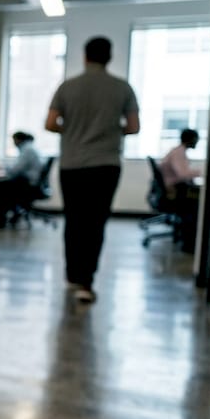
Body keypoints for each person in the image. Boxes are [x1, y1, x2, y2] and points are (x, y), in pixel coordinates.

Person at [45, 36, 140, 304]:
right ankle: (87, 282)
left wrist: (72, 129)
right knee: (95, 223)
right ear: (109, 58)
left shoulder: (67, 87)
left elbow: (50, 123)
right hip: (105, 165)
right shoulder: (123, 88)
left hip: (72, 164)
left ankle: (72, 275)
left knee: (74, 221)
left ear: (85, 56)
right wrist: (110, 130)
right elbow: (133, 127)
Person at [0, 131, 43, 225]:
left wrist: (3, 169)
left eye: (14, 140)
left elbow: (16, 170)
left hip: (28, 183)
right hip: (30, 182)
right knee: (4, 184)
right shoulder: (29, 148)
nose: (13, 143)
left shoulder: (27, 150)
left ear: (19, 140)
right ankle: (8, 214)